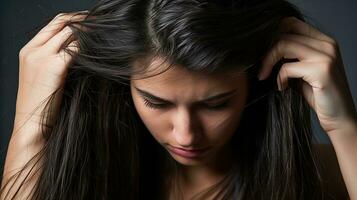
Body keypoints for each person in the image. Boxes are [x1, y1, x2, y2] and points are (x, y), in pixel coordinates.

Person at [1, 0, 356, 199]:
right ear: (128, 86)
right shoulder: (90, 171)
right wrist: (32, 125)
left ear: (254, 84)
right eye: (157, 102)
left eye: (215, 104)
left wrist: (344, 127)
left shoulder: (319, 173)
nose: (186, 135)